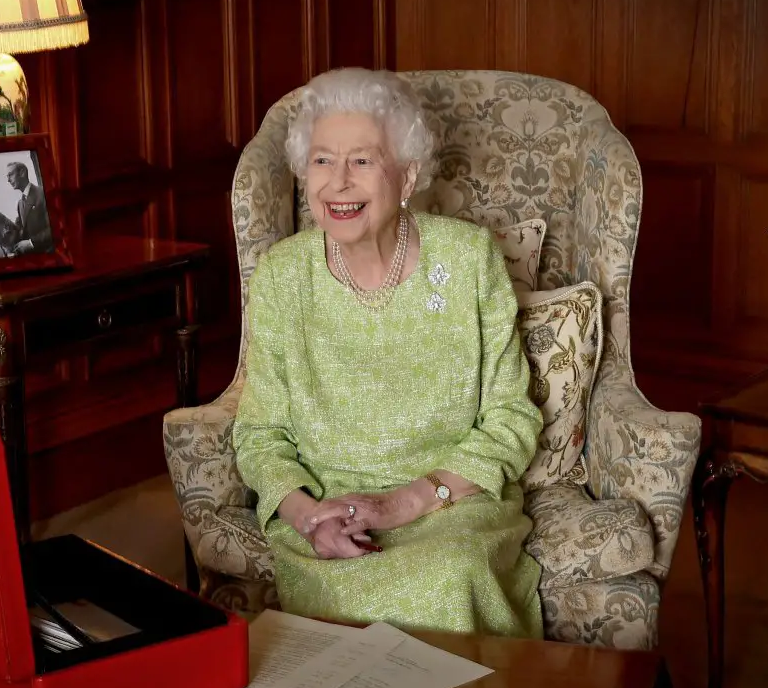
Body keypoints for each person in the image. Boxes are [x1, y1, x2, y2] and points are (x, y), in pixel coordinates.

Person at [231, 67, 545, 638]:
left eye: (362, 161)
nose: (339, 183)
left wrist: (401, 505)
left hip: (450, 506)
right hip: (326, 516)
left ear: (406, 176)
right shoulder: (281, 276)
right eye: (323, 160)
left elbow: (510, 419)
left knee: (451, 578)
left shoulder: (469, 259)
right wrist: (309, 519)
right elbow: (260, 435)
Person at [5, 161, 53, 255]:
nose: (8, 180)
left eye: (10, 175)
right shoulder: (20, 204)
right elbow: (19, 230)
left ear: (22, 173)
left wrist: (31, 243)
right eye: (7, 176)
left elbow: (54, 228)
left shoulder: (43, 193)